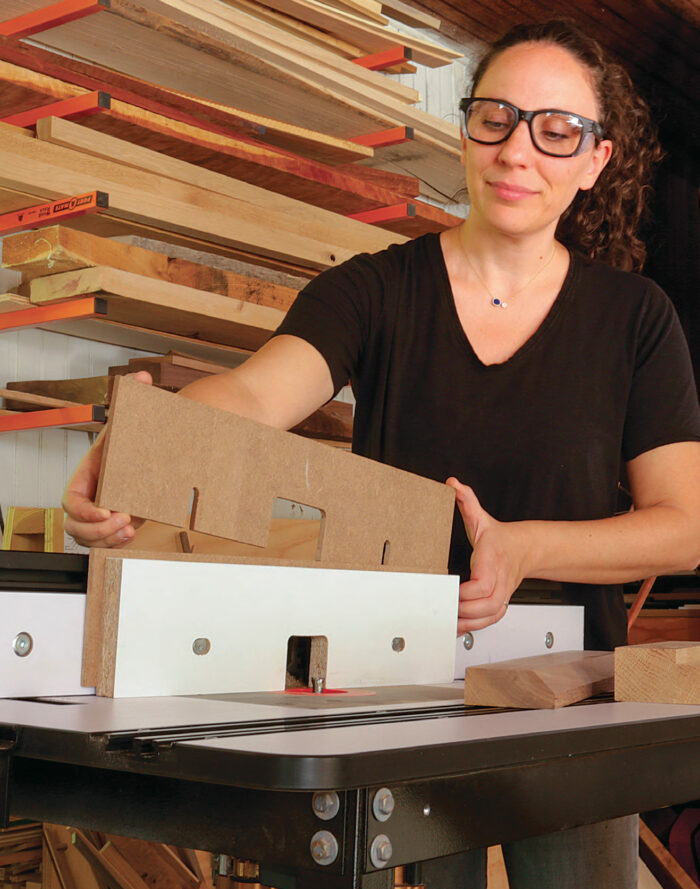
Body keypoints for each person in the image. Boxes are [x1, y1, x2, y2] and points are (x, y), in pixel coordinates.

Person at [64, 18, 700, 889]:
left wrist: (524, 546)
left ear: (596, 160)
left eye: (556, 131)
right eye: (497, 119)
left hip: (567, 704)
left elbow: (685, 525)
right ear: (467, 129)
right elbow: (252, 399)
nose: (519, 151)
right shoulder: (374, 290)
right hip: (389, 689)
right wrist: (144, 441)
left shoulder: (636, 319)